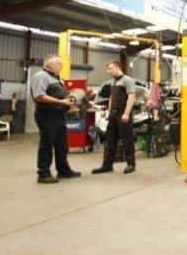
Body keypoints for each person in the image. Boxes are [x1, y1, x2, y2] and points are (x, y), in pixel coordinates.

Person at [30, 55, 81, 184]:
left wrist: (71, 102)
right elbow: (39, 96)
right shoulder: (41, 76)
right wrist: (61, 102)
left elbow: (62, 95)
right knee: (47, 145)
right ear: (49, 64)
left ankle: (63, 170)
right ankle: (43, 173)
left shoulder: (57, 78)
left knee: (61, 145)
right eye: (59, 64)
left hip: (58, 115)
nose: (61, 66)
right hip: (47, 115)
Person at [92, 60, 137, 174]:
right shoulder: (113, 82)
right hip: (114, 113)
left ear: (117, 67)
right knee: (110, 139)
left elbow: (131, 97)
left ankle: (131, 164)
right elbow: (112, 97)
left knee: (127, 139)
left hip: (123, 112)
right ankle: (107, 165)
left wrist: (126, 113)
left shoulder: (128, 80)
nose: (108, 71)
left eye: (110, 68)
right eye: (108, 69)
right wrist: (108, 111)